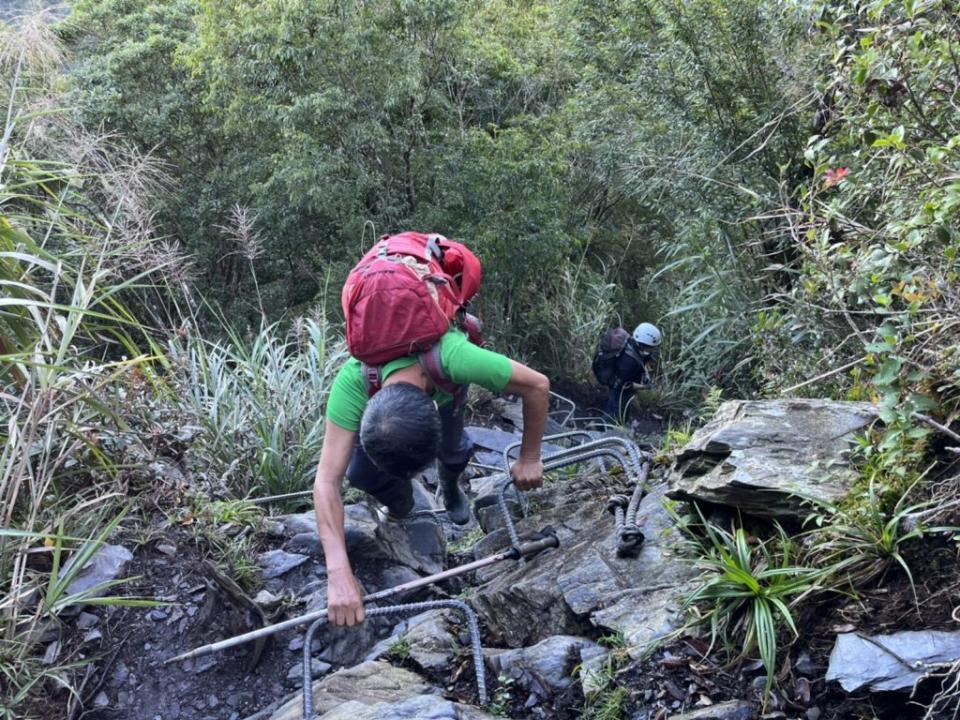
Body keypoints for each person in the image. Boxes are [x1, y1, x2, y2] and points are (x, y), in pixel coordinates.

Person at [312, 326, 550, 627]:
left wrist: (529, 456)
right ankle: (403, 504)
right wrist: (338, 572)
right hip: (402, 402)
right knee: (359, 473)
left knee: (453, 450)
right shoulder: (351, 384)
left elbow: (538, 386)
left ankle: (449, 487)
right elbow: (326, 482)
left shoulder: (456, 357)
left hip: (446, 390)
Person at [603, 322, 661, 423]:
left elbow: (642, 359)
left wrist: (646, 372)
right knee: (615, 416)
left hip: (620, 383)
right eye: (651, 347)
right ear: (643, 345)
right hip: (620, 391)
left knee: (619, 413)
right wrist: (645, 387)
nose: (652, 350)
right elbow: (625, 385)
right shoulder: (629, 362)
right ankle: (596, 426)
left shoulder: (631, 343)